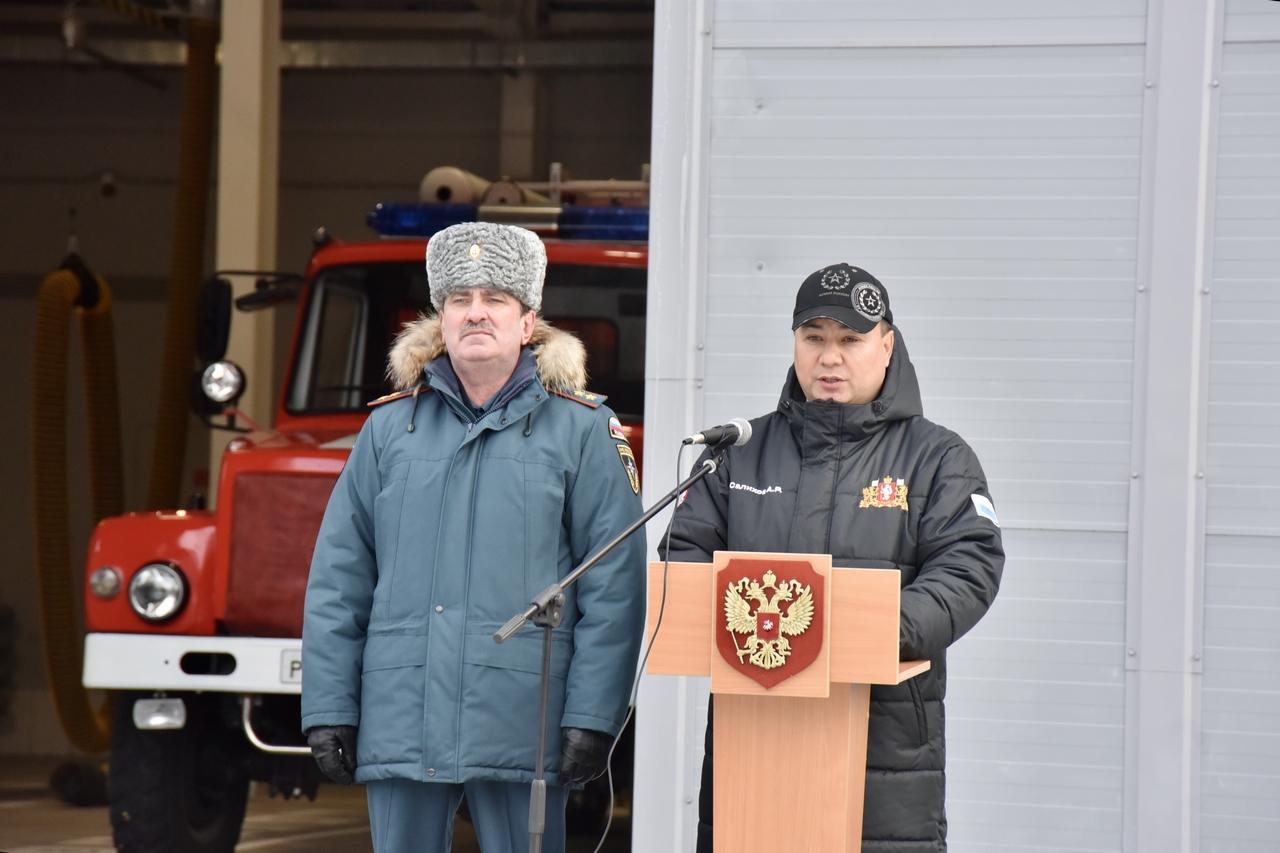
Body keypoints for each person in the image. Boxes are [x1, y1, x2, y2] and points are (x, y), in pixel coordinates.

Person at [300, 221, 646, 852]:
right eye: (460, 299)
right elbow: (338, 580)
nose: (476, 313)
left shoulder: (582, 431)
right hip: (402, 712)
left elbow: (614, 589)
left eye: (496, 299)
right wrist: (328, 706)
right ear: (441, 319)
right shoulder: (388, 431)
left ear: (528, 321)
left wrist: (593, 715)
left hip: (524, 718)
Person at [661, 263, 1005, 853]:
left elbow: (969, 567)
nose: (829, 357)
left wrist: (863, 631)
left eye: (850, 339)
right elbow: (684, 556)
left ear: (887, 345)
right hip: (753, 747)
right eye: (813, 337)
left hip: (887, 755)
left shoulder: (938, 458)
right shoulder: (738, 454)